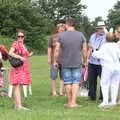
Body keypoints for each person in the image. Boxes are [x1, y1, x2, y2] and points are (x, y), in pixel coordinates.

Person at [55, 18, 87, 108]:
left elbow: (57, 49)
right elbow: (85, 49)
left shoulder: (61, 35)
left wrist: (56, 60)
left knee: (67, 82)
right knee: (76, 82)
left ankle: (69, 102)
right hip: (77, 62)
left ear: (67, 24)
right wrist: (85, 60)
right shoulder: (80, 35)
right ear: (74, 25)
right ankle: (74, 103)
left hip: (65, 63)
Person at [92, 30, 120, 108]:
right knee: (115, 84)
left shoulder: (104, 46)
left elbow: (97, 55)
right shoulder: (116, 45)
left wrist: (94, 51)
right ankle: (113, 101)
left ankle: (105, 101)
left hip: (107, 66)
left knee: (104, 83)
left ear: (106, 38)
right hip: (117, 66)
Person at [9, 30, 33, 110]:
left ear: (24, 37)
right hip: (17, 68)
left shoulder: (23, 45)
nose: (20, 38)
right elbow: (10, 53)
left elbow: (24, 55)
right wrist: (19, 57)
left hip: (23, 68)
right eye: (18, 36)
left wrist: (28, 55)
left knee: (19, 86)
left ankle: (17, 105)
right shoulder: (15, 43)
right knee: (17, 85)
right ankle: (19, 106)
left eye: (22, 36)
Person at [87, 21, 107, 101]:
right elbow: (90, 47)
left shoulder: (107, 37)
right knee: (91, 80)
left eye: (102, 28)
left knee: (103, 80)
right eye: (99, 28)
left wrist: (94, 47)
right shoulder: (93, 36)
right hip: (92, 62)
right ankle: (92, 96)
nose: (101, 30)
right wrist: (87, 59)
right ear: (97, 29)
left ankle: (102, 97)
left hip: (102, 63)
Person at [48, 23, 65, 96]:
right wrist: (49, 58)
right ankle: (54, 92)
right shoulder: (52, 37)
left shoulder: (67, 37)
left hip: (64, 60)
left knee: (63, 77)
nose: (61, 29)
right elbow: (49, 48)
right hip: (54, 60)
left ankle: (61, 92)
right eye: (60, 28)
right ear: (57, 29)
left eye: (62, 28)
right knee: (53, 76)